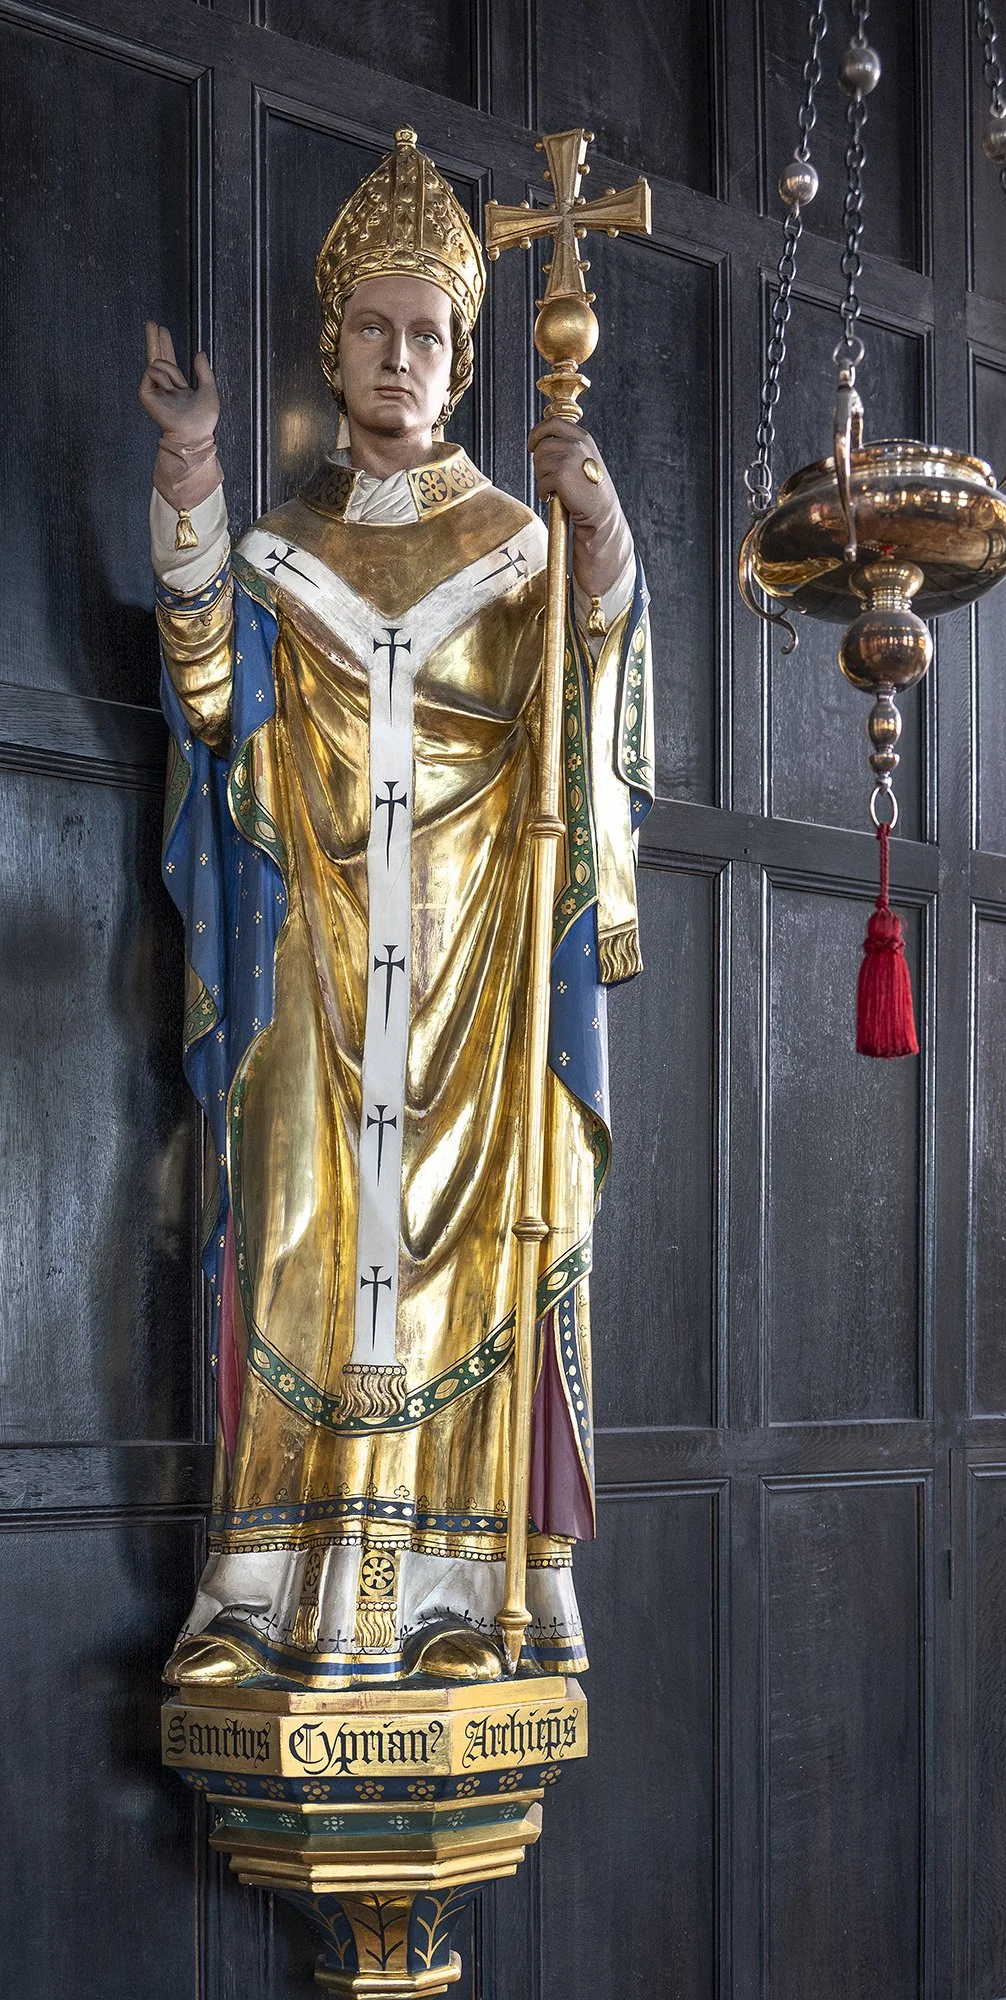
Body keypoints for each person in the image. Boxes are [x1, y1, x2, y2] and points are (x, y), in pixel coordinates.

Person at [141, 128, 653, 1689]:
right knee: (290, 1230)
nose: (397, 357)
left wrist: (605, 553)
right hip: (311, 964)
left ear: (464, 356)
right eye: (371, 328)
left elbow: (588, 721)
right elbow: (216, 705)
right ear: (331, 346)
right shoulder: (280, 550)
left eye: (427, 331)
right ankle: (263, 1593)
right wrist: (188, 487)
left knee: (471, 1270)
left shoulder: (518, 543)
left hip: (473, 967)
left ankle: (460, 1599)